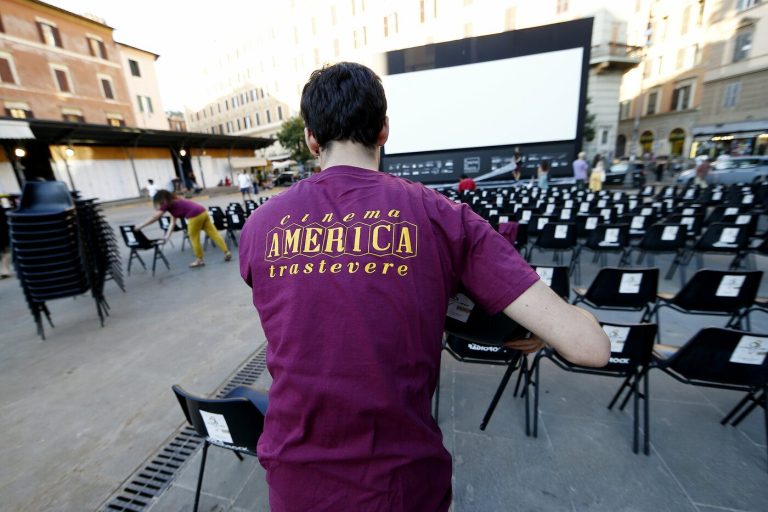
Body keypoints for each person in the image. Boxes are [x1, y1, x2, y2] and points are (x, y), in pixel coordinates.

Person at [238, 62, 609, 512]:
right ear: (383, 131)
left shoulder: (259, 227)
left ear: (311, 139)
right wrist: (581, 318)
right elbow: (590, 348)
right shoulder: (442, 216)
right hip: (401, 487)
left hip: (296, 485)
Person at [135, 190, 231, 268]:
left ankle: (199, 260)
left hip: (194, 216)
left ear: (161, 199)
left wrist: (140, 226)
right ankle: (226, 252)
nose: (159, 204)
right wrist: (166, 237)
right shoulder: (175, 201)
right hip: (203, 212)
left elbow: (155, 217)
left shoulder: (167, 204)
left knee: (194, 238)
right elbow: (172, 223)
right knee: (214, 234)